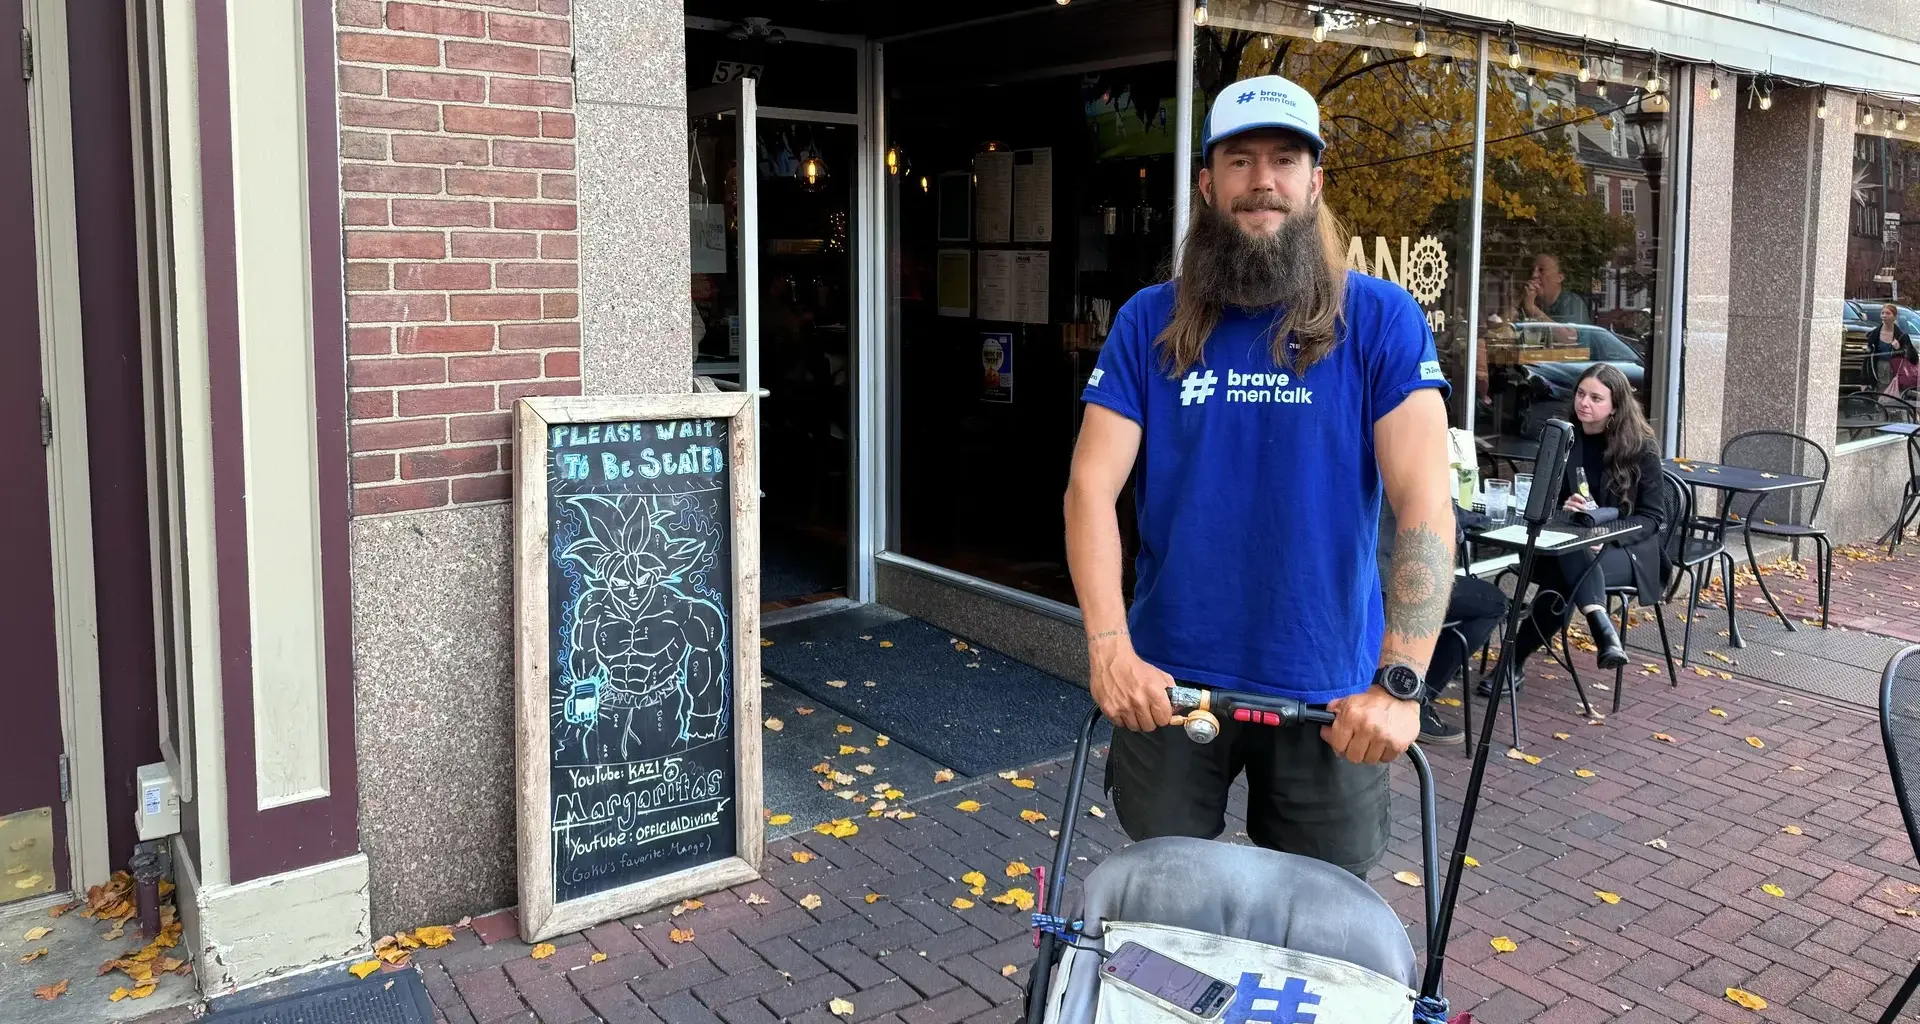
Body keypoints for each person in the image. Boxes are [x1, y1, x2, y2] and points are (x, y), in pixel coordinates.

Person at [1064, 74, 1455, 878]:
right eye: (1239, 161)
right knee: (1166, 895)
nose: (1262, 181)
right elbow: (1090, 490)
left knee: (1322, 912)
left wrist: (1400, 680)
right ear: (1208, 185)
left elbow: (1424, 500)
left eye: (1284, 160)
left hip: (1332, 686)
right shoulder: (1148, 320)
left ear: (1315, 182)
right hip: (1168, 679)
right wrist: (1109, 648)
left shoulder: (1380, 319)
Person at [1478, 362, 1671, 694]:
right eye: (1581, 394)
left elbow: (1653, 518)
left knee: (1564, 579)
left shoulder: (1641, 448)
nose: (1584, 403)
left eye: (1596, 398)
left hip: (1625, 551)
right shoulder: (1564, 438)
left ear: (1615, 406)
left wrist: (1606, 536)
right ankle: (1599, 624)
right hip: (1567, 544)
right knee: (1569, 565)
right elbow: (1543, 503)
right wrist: (1563, 506)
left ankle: (1511, 664)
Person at [1377, 503, 1508, 746]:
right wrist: (1476, 518)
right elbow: (1441, 519)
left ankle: (1407, 686)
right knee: (1495, 603)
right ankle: (1417, 696)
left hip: (1357, 582)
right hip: (1393, 581)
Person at [1520, 254, 1590, 348]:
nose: (1534, 275)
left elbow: (1569, 338)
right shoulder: (1532, 300)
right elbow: (1504, 331)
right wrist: (1517, 300)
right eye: (1532, 270)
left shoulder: (1571, 301)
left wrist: (1531, 308)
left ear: (1559, 277)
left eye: (1541, 270)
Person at [1868, 302, 1918, 396]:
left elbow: (1914, 359)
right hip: (1880, 370)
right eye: (1882, 313)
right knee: (1882, 395)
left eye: (1888, 313)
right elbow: (1867, 359)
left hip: (1898, 372)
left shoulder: (1902, 336)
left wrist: (1899, 349)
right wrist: (1864, 381)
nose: (1884, 315)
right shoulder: (1873, 335)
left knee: (1895, 396)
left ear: (1894, 317)